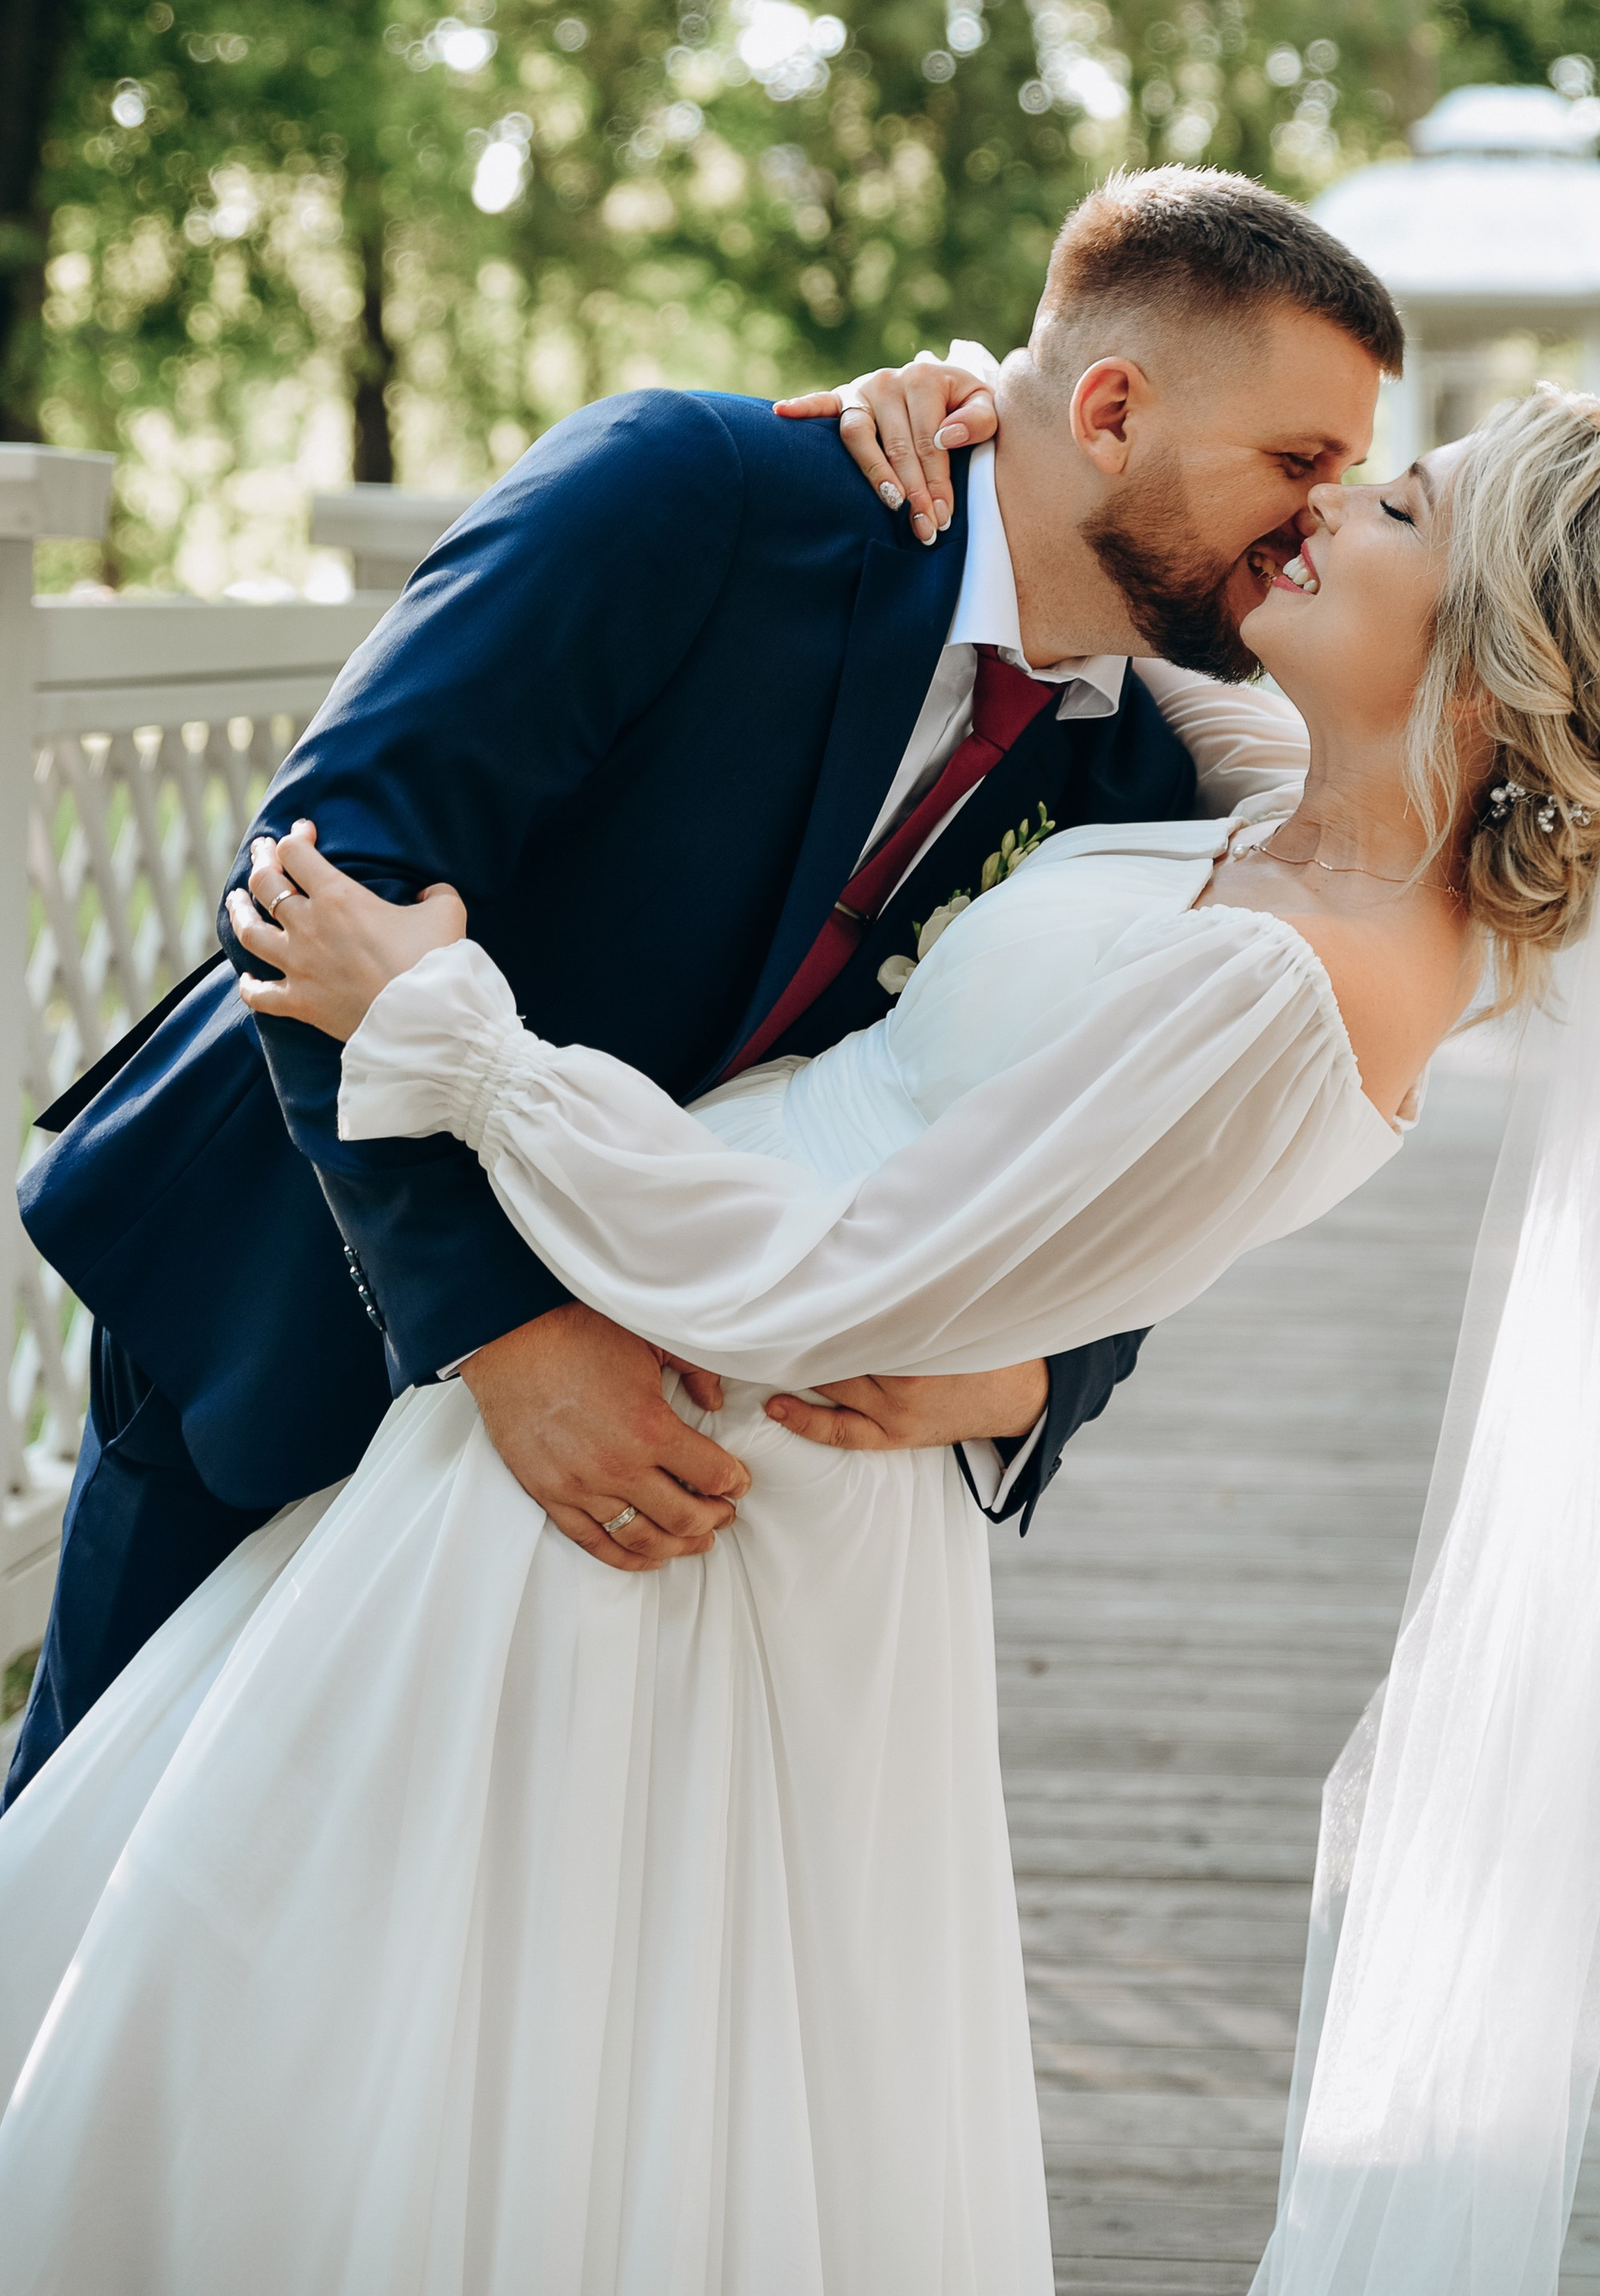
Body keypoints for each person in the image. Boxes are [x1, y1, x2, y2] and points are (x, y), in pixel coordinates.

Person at [0, 390, 1600, 2296]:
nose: (1331, 506)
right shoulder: (1305, 806)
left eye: (1397, 504)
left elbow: (832, 1275)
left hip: (710, 1449)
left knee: (481, 2016)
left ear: (1491, 647)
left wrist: (450, 1027)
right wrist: (982, 413)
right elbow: (1078, 588)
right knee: (396, 1963)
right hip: (707, 1388)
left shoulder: (1302, 971)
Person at [3, 165, 1401, 1802]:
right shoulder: (697, 493)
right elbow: (324, 872)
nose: (1318, 520)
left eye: (1353, 480)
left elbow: (1134, 1151)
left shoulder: (1155, 786)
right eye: (1298, 463)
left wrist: (1034, 1376)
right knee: (102, 1861)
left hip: (652, 1459)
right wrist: (506, 1339)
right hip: (307, 1276)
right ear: (1106, 411)